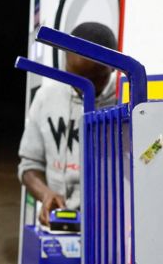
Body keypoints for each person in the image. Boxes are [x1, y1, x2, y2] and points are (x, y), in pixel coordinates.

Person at [18, 22, 117, 226]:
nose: (83, 87)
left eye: (94, 79)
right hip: (59, 224)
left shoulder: (126, 102)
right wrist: (46, 194)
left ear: (113, 67)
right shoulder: (46, 98)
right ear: (65, 62)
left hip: (111, 229)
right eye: (75, 76)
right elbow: (29, 165)